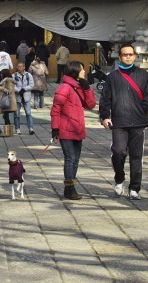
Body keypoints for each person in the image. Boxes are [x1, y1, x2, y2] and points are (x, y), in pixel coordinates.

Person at [99, 43, 148, 200]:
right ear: (120, 57)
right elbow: (105, 99)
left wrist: (139, 108)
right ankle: (119, 179)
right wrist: (105, 116)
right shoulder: (112, 77)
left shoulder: (143, 75)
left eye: (131, 54)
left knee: (136, 156)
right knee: (118, 151)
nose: (128, 56)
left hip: (138, 122)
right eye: (125, 54)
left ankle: (134, 188)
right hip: (119, 121)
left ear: (135, 56)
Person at [51, 61, 96, 200]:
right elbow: (56, 109)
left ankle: (69, 186)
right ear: (75, 72)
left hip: (77, 129)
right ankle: (70, 188)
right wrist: (55, 128)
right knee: (70, 158)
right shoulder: (65, 88)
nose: (84, 72)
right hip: (65, 129)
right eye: (82, 70)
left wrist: (87, 88)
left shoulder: (78, 88)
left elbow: (90, 105)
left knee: (75, 160)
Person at [13, 63, 35, 135]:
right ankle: (17, 129)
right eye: (18, 66)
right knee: (17, 114)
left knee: (28, 113)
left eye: (21, 67)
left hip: (26, 96)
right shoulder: (14, 76)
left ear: (24, 67)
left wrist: (24, 89)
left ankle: (31, 128)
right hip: (18, 96)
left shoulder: (28, 75)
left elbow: (32, 85)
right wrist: (18, 90)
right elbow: (12, 86)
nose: (19, 68)